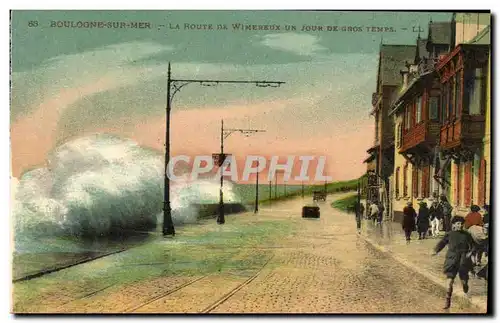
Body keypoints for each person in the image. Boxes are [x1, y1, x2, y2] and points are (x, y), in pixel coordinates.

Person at [432, 216, 474, 310]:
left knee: (463, 280)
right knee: (449, 281)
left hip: (463, 260)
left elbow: (473, 246)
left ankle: (465, 284)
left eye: (461, 223)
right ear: (454, 224)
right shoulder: (449, 234)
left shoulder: (467, 234)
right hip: (451, 259)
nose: (460, 225)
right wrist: (435, 251)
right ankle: (447, 301)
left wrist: (469, 254)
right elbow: (442, 243)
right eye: (458, 223)